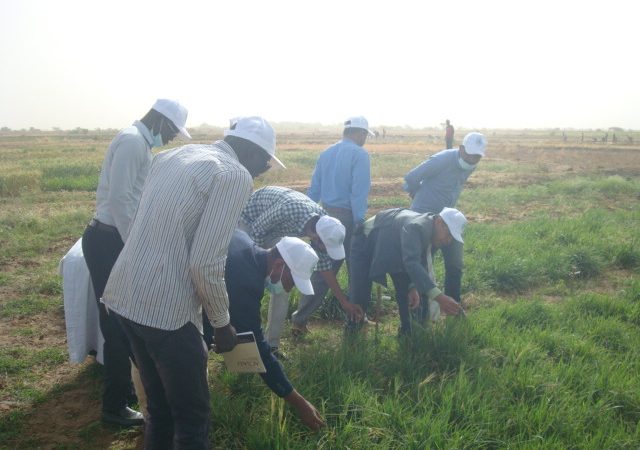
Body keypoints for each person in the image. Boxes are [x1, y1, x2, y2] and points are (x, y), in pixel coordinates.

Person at [102, 116, 283, 448]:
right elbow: (205, 262)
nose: (264, 171)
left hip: (124, 296)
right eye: (265, 162)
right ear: (252, 152)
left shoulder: (174, 156)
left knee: (159, 410)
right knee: (192, 420)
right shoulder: (233, 175)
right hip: (165, 313)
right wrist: (222, 323)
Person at [81, 98, 190, 426]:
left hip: (114, 238)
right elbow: (120, 199)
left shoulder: (140, 143)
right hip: (109, 240)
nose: (171, 139)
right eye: (171, 131)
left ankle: (124, 393)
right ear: (159, 121)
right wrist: (136, 245)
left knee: (121, 320)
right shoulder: (131, 142)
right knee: (116, 323)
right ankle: (114, 408)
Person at [203, 231, 326, 430]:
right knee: (189, 407)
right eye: (292, 282)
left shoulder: (244, 242)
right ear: (279, 265)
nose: (289, 288)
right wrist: (300, 403)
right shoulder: (246, 281)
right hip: (164, 313)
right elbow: (260, 350)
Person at [240, 186, 364, 353]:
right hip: (249, 220)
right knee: (249, 282)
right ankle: (242, 342)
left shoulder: (325, 226)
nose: (326, 251)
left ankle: (271, 346)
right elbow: (257, 232)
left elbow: (325, 268)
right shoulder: (290, 209)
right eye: (326, 247)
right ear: (317, 238)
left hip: (274, 231)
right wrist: (258, 269)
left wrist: (344, 302)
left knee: (283, 286)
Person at [349, 207, 467, 335]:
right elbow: (411, 262)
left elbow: (418, 263)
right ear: (439, 222)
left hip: (395, 248)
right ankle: (352, 335)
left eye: (452, 238)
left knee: (408, 294)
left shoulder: (434, 235)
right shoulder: (416, 227)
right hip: (366, 243)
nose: (448, 240)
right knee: (360, 296)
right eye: (449, 234)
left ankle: (408, 335)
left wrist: (412, 286)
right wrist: (439, 297)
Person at [303, 116, 372, 329]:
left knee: (323, 270)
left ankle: (300, 318)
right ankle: (355, 318)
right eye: (365, 135)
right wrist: (360, 222)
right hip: (347, 218)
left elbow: (314, 189)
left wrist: (310, 218)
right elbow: (358, 193)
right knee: (357, 270)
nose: (365, 139)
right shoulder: (360, 155)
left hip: (323, 217)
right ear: (360, 133)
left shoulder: (326, 153)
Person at [403, 132, 487, 303]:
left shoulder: (470, 165)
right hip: (425, 218)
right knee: (423, 263)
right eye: (470, 155)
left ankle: (453, 305)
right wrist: (416, 192)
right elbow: (411, 177)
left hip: (448, 220)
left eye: (477, 157)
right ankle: (419, 307)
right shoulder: (442, 160)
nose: (472, 160)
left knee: (455, 263)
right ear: (461, 148)